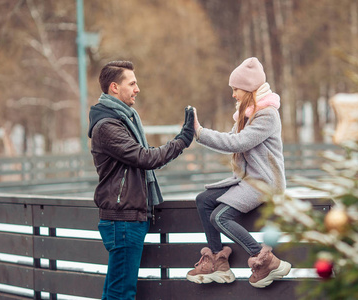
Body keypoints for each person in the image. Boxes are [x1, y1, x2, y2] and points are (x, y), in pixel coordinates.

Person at [88, 60, 194, 299]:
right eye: (132, 83)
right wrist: (182, 140)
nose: (137, 89)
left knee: (116, 290)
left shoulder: (124, 120)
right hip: (123, 219)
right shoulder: (107, 126)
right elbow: (144, 157)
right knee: (121, 292)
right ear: (114, 87)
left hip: (128, 217)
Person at [186, 57, 291, 288]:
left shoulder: (267, 115)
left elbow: (238, 143)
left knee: (220, 217)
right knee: (203, 200)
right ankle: (216, 261)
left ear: (249, 89)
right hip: (246, 180)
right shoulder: (245, 114)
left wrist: (200, 132)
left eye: (236, 89)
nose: (233, 94)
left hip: (264, 182)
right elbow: (233, 139)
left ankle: (266, 260)